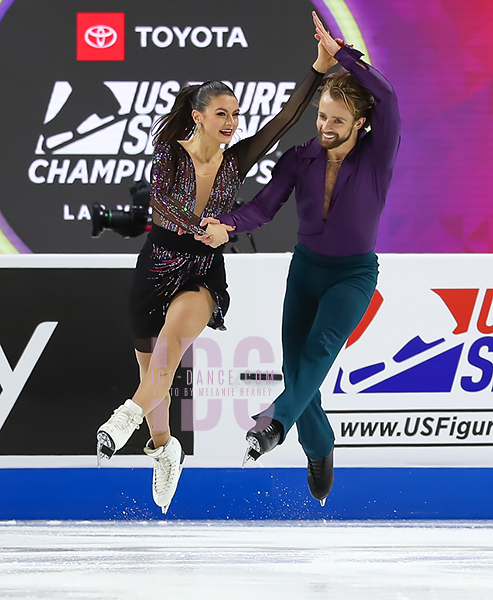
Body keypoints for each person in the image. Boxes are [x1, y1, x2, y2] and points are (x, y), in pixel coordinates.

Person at [96, 14, 336, 514]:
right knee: (154, 374)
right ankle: (164, 448)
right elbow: (161, 205)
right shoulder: (169, 153)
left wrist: (317, 68)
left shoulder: (236, 160)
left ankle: (123, 419)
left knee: (170, 350)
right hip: (156, 267)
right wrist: (198, 224)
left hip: (201, 273)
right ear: (199, 116)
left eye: (236, 114)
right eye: (222, 113)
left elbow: (284, 120)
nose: (231, 122)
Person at [199, 15, 401, 506]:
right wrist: (228, 224)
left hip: (353, 275)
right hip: (306, 270)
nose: (326, 127)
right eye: (322, 117)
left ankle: (272, 425)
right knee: (296, 368)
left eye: (337, 121)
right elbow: (263, 207)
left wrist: (341, 54)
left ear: (360, 124)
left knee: (319, 350)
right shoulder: (298, 158)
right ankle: (320, 447)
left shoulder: (378, 155)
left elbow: (389, 97)